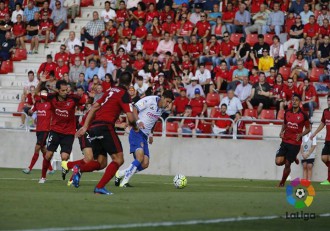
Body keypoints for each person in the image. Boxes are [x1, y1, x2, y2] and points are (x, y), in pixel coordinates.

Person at [75, 72, 137, 195]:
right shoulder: (124, 94)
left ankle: (79, 168)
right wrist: (135, 127)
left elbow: (94, 107)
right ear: (131, 82)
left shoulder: (110, 91)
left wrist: (86, 126)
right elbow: (130, 118)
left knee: (101, 163)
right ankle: (99, 187)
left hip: (94, 127)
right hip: (105, 127)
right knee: (118, 159)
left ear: (118, 80)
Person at [115, 90, 174, 187]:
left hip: (145, 136)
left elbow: (154, 120)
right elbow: (134, 108)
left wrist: (151, 134)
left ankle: (120, 174)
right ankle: (124, 182)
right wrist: (138, 121)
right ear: (162, 97)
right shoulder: (150, 100)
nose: (168, 104)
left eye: (170, 103)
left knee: (145, 163)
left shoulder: (161, 109)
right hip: (137, 132)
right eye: (167, 101)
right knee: (140, 157)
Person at [35, 78, 82, 183]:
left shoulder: (73, 99)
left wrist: (90, 98)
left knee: (64, 157)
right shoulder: (51, 97)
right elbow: (37, 92)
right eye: (63, 90)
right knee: (48, 154)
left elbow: (84, 100)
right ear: (57, 90)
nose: (66, 92)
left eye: (67, 90)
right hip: (55, 130)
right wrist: (42, 82)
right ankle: (43, 177)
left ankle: (65, 169)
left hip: (69, 132)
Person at [276, 94, 311, 187]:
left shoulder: (304, 115)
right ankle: (293, 157)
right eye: (293, 100)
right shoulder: (287, 112)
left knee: (287, 164)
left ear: (299, 102)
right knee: (278, 162)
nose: (294, 101)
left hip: (295, 143)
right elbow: (284, 123)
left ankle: (282, 182)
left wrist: (301, 134)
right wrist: (281, 131)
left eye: (296, 100)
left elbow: (308, 128)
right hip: (285, 140)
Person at [22, 88, 54, 174]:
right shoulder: (37, 103)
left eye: (45, 93)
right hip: (38, 130)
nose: (43, 95)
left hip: (45, 130)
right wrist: (28, 110)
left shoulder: (50, 104)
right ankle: (51, 169)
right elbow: (31, 112)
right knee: (43, 149)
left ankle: (29, 168)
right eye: (43, 93)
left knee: (37, 148)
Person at [310, 95, 330, 185]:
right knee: (324, 158)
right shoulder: (325, 111)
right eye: (328, 100)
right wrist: (315, 133)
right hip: (328, 139)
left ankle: (329, 180)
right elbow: (323, 123)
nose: (329, 101)